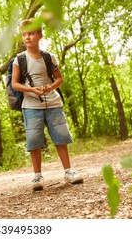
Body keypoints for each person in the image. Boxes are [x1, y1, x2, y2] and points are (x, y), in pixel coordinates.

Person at [11, 18, 83, 191]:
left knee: (60, 137)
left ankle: (68, 171)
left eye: (31, 33)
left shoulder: (49, 57)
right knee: (34, 140)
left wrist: (50, 87)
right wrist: (33, 90)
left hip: (53, 103)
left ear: (40, 35)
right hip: (30, 106)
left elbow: (59, 79)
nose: (27, 37)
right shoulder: (19, 60)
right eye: (24, 34)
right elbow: (15, 84)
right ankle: (37, 177)